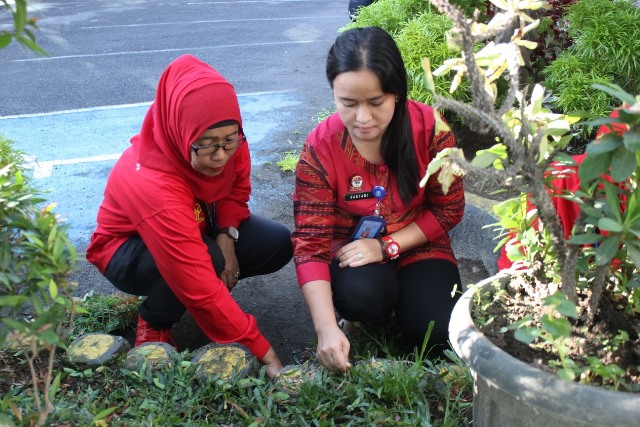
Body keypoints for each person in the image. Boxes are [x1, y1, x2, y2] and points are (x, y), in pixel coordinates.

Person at [86, 54, 293, 379]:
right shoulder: (151, 181)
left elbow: (237, 190)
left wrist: (227, 237)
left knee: (276, 242)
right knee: (203, 265)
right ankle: (154, 323)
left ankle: (209, 294)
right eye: (207, 146)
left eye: (229, 141)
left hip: (201, 226)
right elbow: (192, 275)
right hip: (127, 249)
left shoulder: (228, 136)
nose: (222, 155)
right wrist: (266, 355)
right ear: (180, 130)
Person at [291, 27, 465, 372]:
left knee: (436, 331)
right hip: (351, 251)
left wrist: (387, 247)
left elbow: (448, 210)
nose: (362, 119)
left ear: (397, 93)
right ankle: (361, 311)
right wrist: (324, 328)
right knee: (362, 297)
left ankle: (410, 298)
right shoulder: (320, 147)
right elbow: (310, 245)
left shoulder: (431, 129)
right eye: (348, 103)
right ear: (333, 93)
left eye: (376, 102)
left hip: (419, 242)